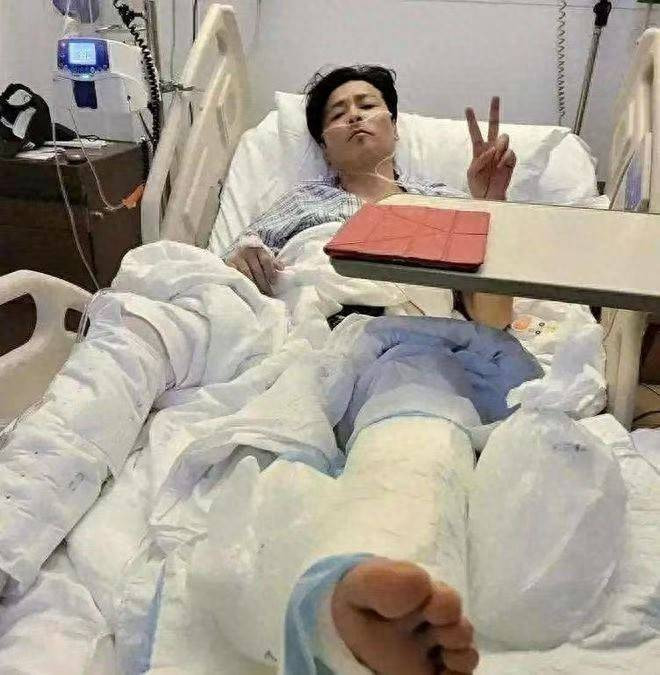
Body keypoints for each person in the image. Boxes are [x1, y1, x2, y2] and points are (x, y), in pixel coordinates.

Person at [226, 65, 516, 329]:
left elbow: (493, 319)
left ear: (395, 129)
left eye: (366, 105)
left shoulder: (444, 203)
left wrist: (492, 205)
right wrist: (245, 258)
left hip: (415, 341)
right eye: (337, 115)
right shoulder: (303, 200)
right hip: (313, 332)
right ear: (325, 149)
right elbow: (230, 269)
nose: (354, 116)